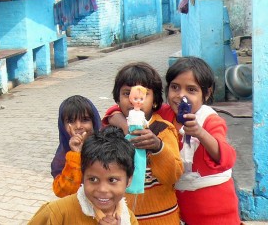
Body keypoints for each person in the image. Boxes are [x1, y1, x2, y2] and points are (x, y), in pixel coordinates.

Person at [158, 57, 240, 224]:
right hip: (183, 211)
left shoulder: (209, 121)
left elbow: (226, 158)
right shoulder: (164, 114)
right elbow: (132, 107)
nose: (181, 96)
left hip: (217, 213)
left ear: (206, 93)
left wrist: (200, 133)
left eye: (191, 90)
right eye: (175, 87)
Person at [102, 62, 183, 224]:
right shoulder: (111, 132)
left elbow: (173, 176)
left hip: (162, 218)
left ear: (155, 101)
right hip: (122, 218)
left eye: (143, 95)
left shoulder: (163, 130)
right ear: (117, 99)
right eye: (127, 94)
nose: (134, 101)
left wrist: (158, 148)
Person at [29, 126, 138, 225]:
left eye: (112, 180)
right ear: (83, 176)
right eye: (93, 179)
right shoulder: (57, 212)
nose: (102, 189)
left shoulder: (128, 219)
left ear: (128, 180)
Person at [51, 95, 101, 197]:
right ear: (62, 126)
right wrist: (75, 155)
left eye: (85, 120)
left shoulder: (107, 147)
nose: (78, 126)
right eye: (70, 121)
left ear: (94, 122)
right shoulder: (61, 158)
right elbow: (62, 192)